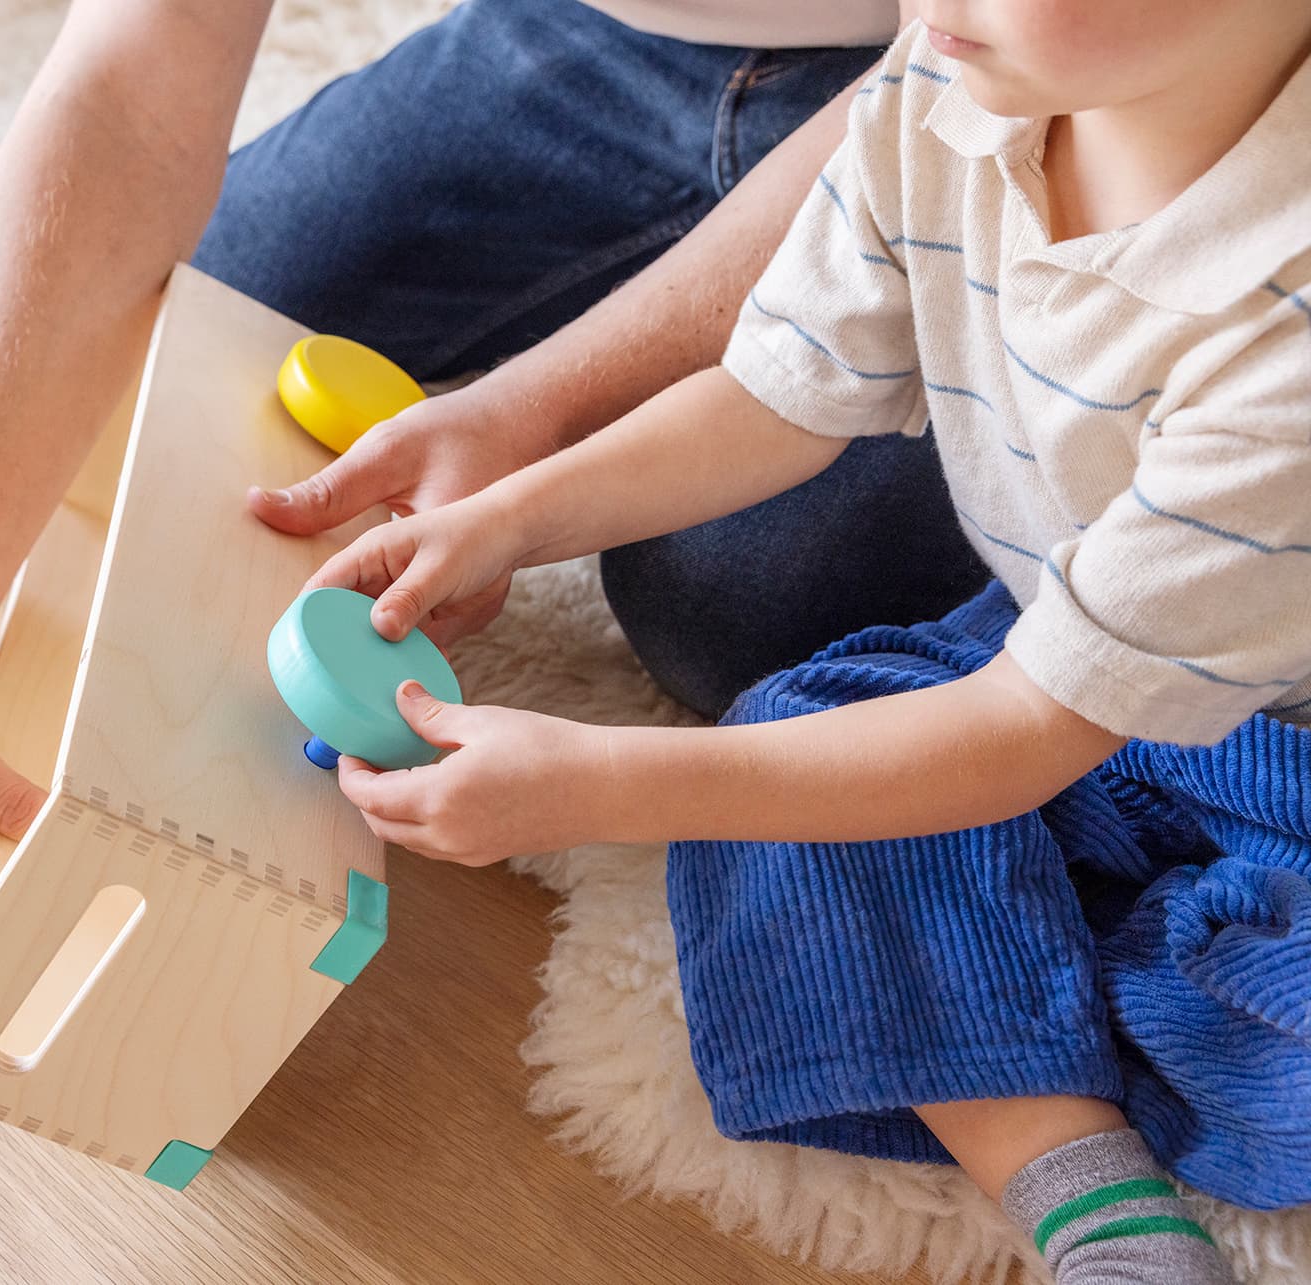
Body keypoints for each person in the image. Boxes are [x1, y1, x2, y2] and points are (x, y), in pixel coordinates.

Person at [303, 3, 1311, 1281]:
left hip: (1265, 731)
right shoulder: (950, 76)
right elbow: (776, 394)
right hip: (1068, 639)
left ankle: (1052, 993)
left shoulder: (1286, 317)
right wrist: (511, 518)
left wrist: (602, 786)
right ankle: (1095, 1204)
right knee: (796, 754)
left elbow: (1018, 735)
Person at [0, 0, 994, 910]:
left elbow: (944, 83)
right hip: (588, 34)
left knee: (721, 607)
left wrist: (532, 409)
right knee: (191, 336)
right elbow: (126, 87)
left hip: (989, 78)